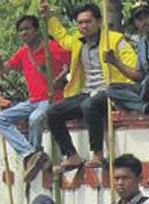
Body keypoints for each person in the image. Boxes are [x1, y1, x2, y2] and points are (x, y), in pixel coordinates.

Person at [41, 1, 138, 173]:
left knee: (90, 104)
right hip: (86, 92)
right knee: (52, 112)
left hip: (111, 91)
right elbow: (62, 36)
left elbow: (133, 65)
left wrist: (125, 89)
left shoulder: (115, 40)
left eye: (88, 21)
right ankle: (71, 155)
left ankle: (98, 155)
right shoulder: (79, 43)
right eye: (80, 23)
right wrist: (49, 17)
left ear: (99, 21)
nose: (83, 26)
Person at [0, 14, 71, 182]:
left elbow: (72, 61)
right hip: (32, 100)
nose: (24, 33)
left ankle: (34, 156)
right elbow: (0, 72)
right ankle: (31, 154)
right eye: (21, 30)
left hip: (52, 99)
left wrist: (61, 77)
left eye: (27, 28)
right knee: (0, 119)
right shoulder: (23, 52)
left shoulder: (51, 47)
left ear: (36, 30)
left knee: (36, 118)